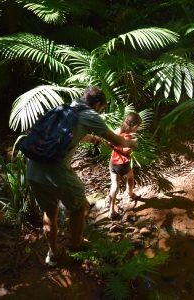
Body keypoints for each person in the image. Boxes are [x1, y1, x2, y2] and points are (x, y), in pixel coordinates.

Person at [26, 86, 138, 266]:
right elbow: (117, 140)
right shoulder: (90, 115)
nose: (101, 111)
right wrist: (133, 143)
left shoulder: (63, 108)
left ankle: (53, 253)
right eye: (102, 108)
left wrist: (89, 138)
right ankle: (76, 243)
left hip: (32, 167)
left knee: (50, 211)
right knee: (78, 207)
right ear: (98, 104)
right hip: (56, 171)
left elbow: (61, 134)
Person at [107, 112, 142, 219]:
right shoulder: (128, 137)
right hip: (123, 164)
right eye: (138, 127)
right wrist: (133, 143)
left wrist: (115, 148)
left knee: (114, 186)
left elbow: (108, 143)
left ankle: (111, 210)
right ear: (135, 127)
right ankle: (130, 194)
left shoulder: (117, 131)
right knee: (130, 177)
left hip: (113, 162)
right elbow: (126, 151)